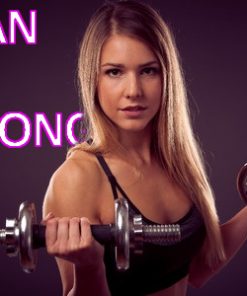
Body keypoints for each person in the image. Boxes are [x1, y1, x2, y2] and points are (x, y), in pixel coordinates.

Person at [42, 1, 247, 295]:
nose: (133, 91)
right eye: (114, 72)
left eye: (148, 71)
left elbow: (199, 269)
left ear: (167, 77)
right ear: (93, 80)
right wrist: (89, 267)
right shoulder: (77, 178)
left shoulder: (175, 160)